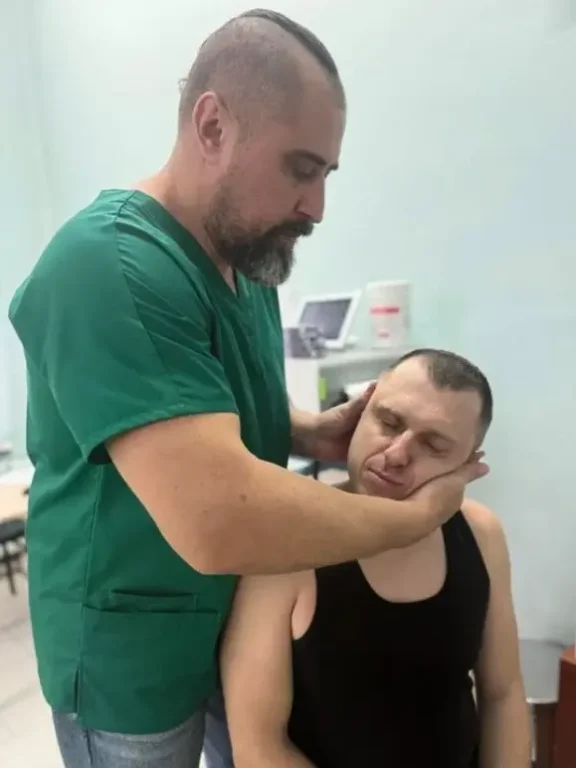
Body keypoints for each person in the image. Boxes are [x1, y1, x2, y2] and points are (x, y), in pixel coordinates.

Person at [8, 8, 487, 768]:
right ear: (212, 126)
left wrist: (306, 431)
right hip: (130, 649)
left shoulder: (247, 259)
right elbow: (218, 518)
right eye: (300, 169)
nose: (317, 207)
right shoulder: (109, 268)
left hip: (225, 616)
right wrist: (413, 520)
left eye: (326, 176)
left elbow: (203, 402)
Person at [221, 349, 531, 768]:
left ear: (468, 464)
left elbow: (502, 694)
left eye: (433, 445)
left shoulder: (480, 534)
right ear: (358, 415)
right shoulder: (290, 545)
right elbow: (258, 747)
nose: (398, 454)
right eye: (389, 423)